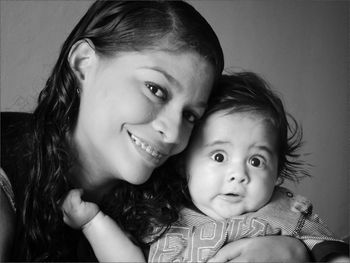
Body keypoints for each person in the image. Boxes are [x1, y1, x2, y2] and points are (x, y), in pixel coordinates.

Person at [0, 1, 316, 262]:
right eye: (156, 90)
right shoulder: (8, 173)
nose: (172, 132)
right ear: (84, 64)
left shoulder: (185, 195)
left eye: (191, 115)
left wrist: (295, 251)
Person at [61, 72, 349, 262]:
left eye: (256, 161)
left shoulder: (283, 212)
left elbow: (329, 249)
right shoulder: (162, 217)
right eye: (219, 157)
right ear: (184, 162)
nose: (239, 175)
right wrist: (92, 223)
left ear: (276, 174)